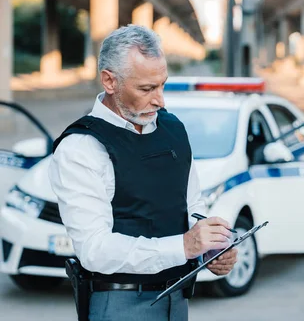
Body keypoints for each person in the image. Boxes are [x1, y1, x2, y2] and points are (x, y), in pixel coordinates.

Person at [49, 25, 237, 321]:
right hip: (119, 302)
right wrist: (184, 246)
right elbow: (95, 249)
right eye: (147, 89)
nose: (160, 100)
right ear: (109, 81)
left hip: (177, 297)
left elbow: (190, 206)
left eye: (162, 85)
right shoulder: (81, 148)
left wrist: (210, 249)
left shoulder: (173, 129)